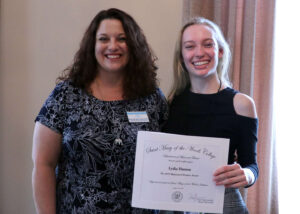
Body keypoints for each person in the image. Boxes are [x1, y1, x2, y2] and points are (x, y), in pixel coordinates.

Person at [32, 8, 168, 214]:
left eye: (122, 39)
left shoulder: (151, 98)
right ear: (92, 45)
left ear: (133, 45)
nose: (113, 46)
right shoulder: (65, 96)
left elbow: (168, 160)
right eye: (104, 39)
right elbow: (43, 164)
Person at [163, 17, 259, 214]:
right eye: (190, 46)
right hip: (174, 205)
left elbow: (251, 165)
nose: (199, 53)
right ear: (181, 56)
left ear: (220, 51)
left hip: (225, 205)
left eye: (208, 44)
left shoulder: (242, 104)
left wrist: (247, 175)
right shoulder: (170, 103)